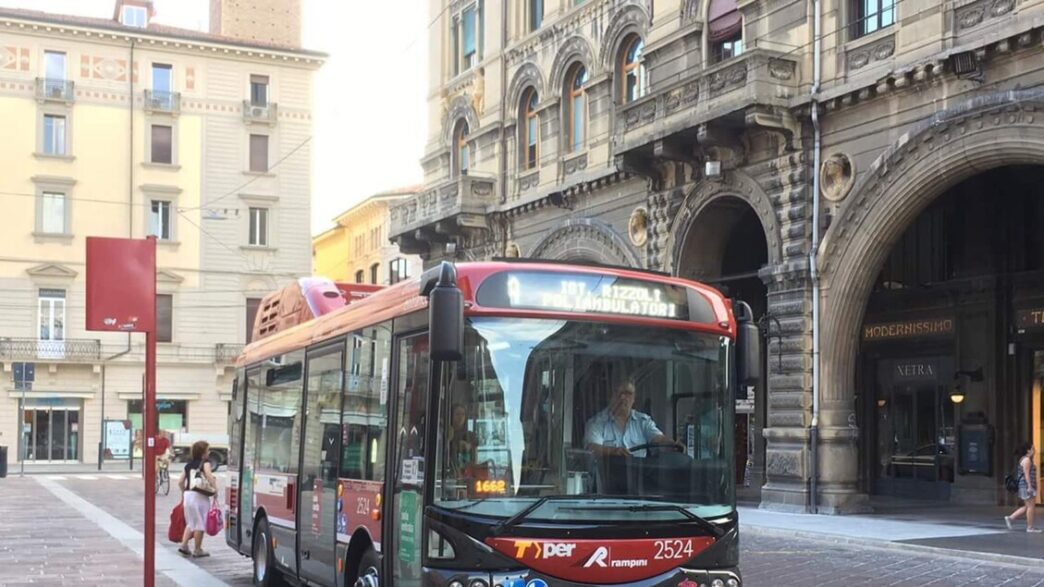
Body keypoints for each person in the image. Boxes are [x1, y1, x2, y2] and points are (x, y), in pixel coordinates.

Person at [584, 379, 682, 458]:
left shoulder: (643, 421)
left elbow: (658, 438)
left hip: (638, 479)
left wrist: (672, 445)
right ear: (611, 396)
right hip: (608, 478)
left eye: (627, 393)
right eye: (618, 393)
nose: (622, 397)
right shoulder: (597, 422)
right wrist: (614, 451)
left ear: (634, 398)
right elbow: (592, 448)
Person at [178, 440, 218, 557]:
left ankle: (184, 545)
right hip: (199, 495)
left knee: (191, 522)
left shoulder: (188, 465)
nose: (209, 453)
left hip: (188, 495)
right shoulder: (205, 463)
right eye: (207, 450)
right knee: (200, 522)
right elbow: (209, 476)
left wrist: (184, 491)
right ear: (203, 453)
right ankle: (198, 549)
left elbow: (180, 482)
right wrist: (215, 489)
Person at [1005, 442, 1041, 533]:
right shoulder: (1027, 460)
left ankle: (1010, 518)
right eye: (1033, 448)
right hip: (1026, 486)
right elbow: (1026, 475)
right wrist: (1029, 487)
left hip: (1024, 486)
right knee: (1031, 507)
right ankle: (1030, 527)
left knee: (1027, 506)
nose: (1035, 450)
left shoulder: (1024, 459)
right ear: (1028, 450)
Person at [447, 403, 477, 475]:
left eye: (463, 414)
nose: (460, 417)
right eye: (457, 414)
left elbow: (475, 459)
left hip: (467, 473)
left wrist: (469, 447)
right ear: (451, 416)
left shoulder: (470, 435)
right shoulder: (447, 432)